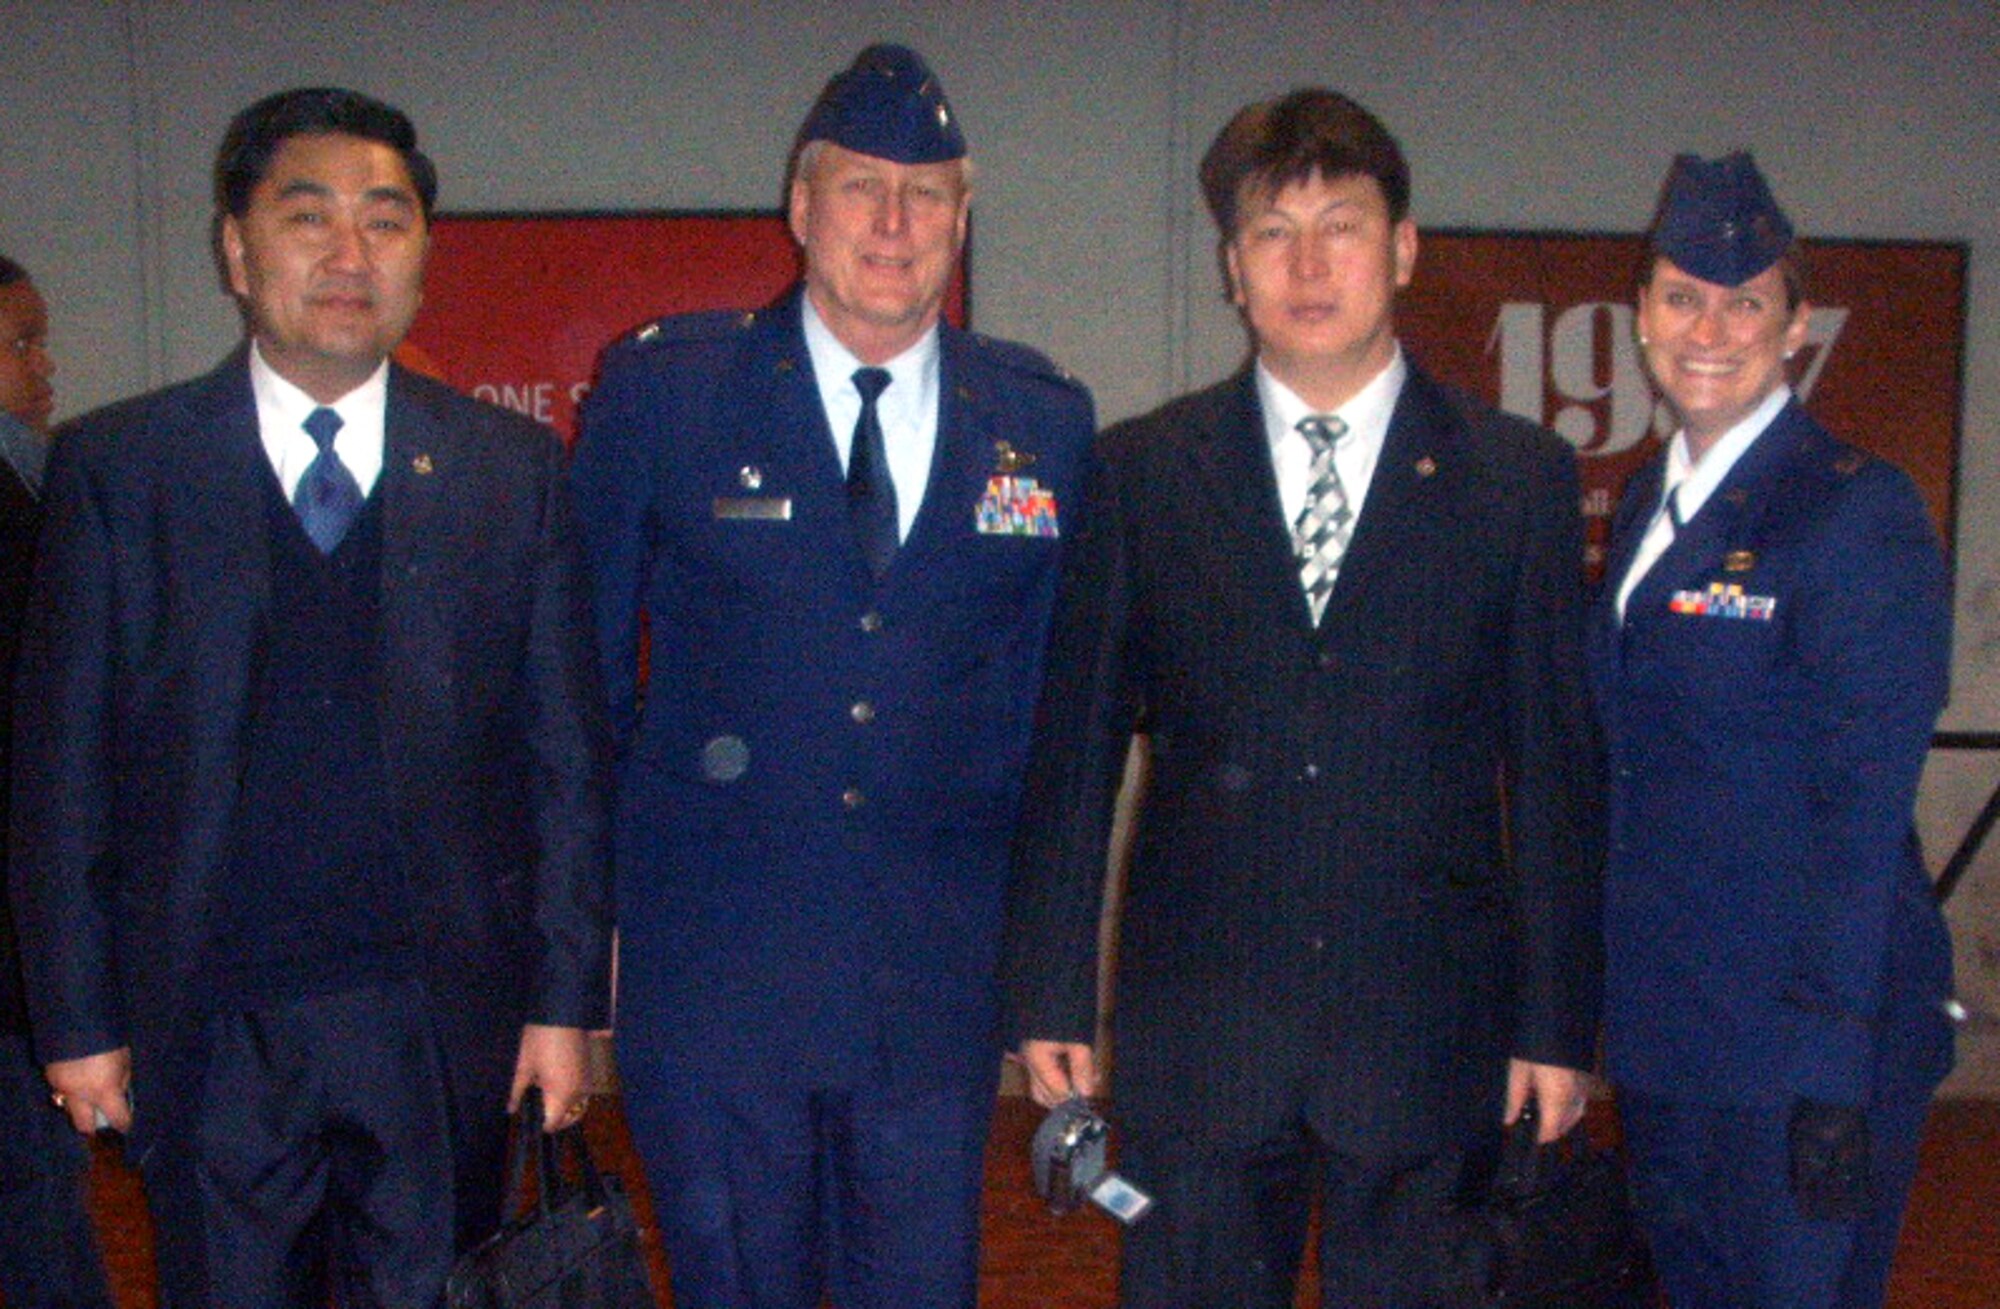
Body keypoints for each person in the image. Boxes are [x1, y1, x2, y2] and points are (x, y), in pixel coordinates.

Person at [6, 88, 614, 1307]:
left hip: (435, 1019)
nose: (349, 254)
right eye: (308, 218)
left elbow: (565, 759)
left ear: (422, 257)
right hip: (209, 1018)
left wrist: (563, 1005)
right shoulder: (125, 469)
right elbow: (59, 769)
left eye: (384, 222)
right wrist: (74, 1017)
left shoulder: (507, 473)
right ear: (236, 252)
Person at [1001, 88, 1605, 1307]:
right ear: (1232, 268)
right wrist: (1050, 988)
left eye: (1342, 226)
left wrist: (1555, 1021)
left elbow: (1553, 773)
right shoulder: (1141, 472)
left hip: (1428, 1038)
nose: (1308, 264)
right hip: (1202, 1041)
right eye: (1272, 233)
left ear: (1403, 248)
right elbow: (1075, 754)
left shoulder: (1514, 480)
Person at [572, 43, 1094, 1309]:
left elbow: (1059, 735)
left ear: (962, 219)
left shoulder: (1041, 421)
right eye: (861, 188)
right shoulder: (667, 394)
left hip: (932, 988)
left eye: (926, 195)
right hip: (717, 981)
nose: (893, 223)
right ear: (799, 206)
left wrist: (1046, 983)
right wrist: (574, 964)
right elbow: (579, 694)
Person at [1592, 152, 1954, 1309]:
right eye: (1680, 297)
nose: (1708, 330)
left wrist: (1829, 1068)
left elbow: (1861, 816)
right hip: (1673, 1024)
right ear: (1640, 315)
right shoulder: (1648, 504)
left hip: (1798, 1037)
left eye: (1744, 302)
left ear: (1795, 327)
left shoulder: (1852, 509)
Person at [0, 255, 118, 1309]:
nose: (45, 366)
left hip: (32, 936)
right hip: (15, 942)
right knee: (36, 1216)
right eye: (20, 343)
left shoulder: (40, 482)